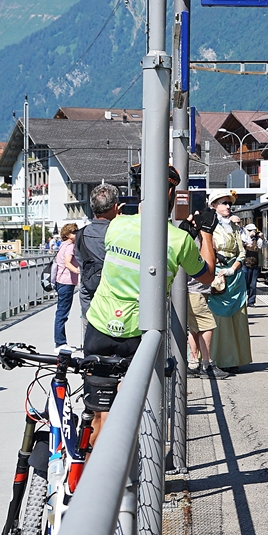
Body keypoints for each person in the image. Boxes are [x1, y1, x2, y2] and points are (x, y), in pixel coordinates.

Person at [83, 166, 217, 444]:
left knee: (96, 412)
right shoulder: (179, 240)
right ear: (171, 195)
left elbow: (139, 232)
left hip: (99, 326)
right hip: (137, 332)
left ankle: (85, 475)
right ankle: (126, 478)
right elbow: (207, 275)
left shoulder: (116, 225)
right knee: (127, 408)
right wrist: (204, 233)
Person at [207, 191, 252, 373]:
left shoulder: (234, 228)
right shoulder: (209, 227)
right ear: (214, 206)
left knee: (237, 318)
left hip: (235, 277)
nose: (228, 206)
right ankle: (217, 359)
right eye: (224, 203)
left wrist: (234, 268)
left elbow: (242, 251)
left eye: (229, 203)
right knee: (219, 319)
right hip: (219, 278)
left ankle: (234, 359)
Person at [78, 183, 120, 322]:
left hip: (89, 301)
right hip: (116, 305)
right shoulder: (120, 234)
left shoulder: (80, 235)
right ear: (115, 207)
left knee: (90, 340)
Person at [51, 224, 80, 348]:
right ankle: (60, 343)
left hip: (60, 281)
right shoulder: (70, 247)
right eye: (74, 232)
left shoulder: (62, 246)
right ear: (67, 234)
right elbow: (68, 263)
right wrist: (78, 271)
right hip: (67, 282)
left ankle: (60, 341)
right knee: (62, 313)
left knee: (61, 312)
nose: (76, 234)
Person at [242, 223, 263, 307]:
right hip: (244, 263)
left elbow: (261, 246)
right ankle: (242, 301)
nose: (253, 232)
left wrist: (261, 238)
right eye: (250, 231)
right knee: (244, 283)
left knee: (253, 284)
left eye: (254, 231)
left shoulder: (257, 239)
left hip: (254, 263)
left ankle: (251, 301)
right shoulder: (242, 237)